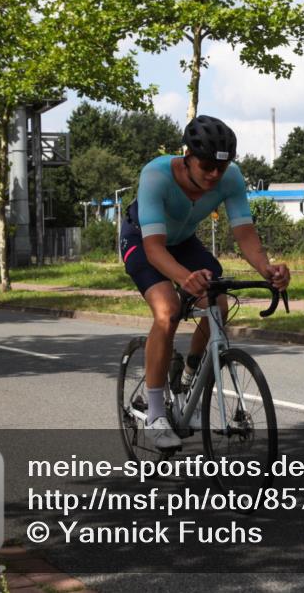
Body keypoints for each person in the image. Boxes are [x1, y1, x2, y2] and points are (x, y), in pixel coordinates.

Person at [120, 115, 290, 450]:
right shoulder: (156, 175)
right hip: (143, 240)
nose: (214, 175)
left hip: (183, 241)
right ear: (188, 157)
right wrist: (184, 277)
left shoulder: (232, 177)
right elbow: (154, 249)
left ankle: (188, 380)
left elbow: (244, 233)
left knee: (218, 305)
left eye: (220, 169)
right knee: (167, 311)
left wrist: (267, 269)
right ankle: (155, 413)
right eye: (207, 166)